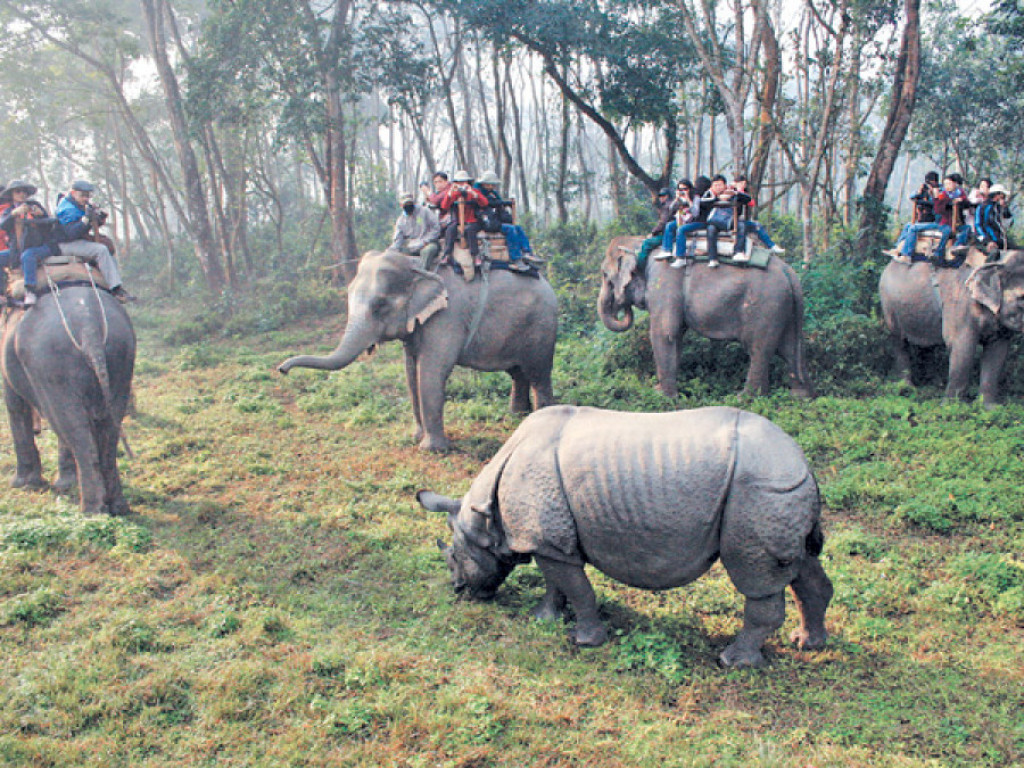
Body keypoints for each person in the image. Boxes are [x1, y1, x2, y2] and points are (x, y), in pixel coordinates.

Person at [55, 180, 134, 302]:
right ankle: (115, 289)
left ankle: (113, 282)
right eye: (82, 195)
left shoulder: (79, 205)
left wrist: (98, 217)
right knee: (100, 250)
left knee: (107, 246)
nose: (85, 199)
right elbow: (71, 234)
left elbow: (87, 225)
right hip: (65, 244)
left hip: (76, 241)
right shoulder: (67, 208)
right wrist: (86, 218)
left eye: (88, 196)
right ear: (73, 193)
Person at [0, 180, 61, 307]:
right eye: (18, 192)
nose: (22, 194)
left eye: (24, 192)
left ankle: (30, 290)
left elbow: (51, 223)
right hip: (17, 249)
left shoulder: (35, 205)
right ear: (11, 194)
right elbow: (4, 225)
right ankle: (3, 295)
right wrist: (14, 215)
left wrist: (40, 215)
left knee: (28, 256)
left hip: (42, 246)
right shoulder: (9, 211)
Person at [474, 170, 541, 272]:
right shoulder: (477, 192)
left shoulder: (493, 193)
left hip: (495, 220)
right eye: (490, 184)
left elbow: (499, 204)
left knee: (517, 228)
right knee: (510, 229)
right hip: (486, 222)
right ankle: (516, 258)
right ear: (484, 183)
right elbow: (488, 203)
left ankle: (527, 252)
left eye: (493, 185)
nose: (492, 187)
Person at [887, 171, 943, 261]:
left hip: (936, 221)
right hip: (924, 220)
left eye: (931, 182)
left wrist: (934, 194)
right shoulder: (925, 189)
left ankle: (907, 254)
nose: (929, 184)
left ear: (935, 182)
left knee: (913, 228)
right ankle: (897, 248)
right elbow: (912, 197)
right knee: (908, 226)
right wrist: (919, 191)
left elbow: (938, 205)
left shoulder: (941, 190)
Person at [439, 169, 489, 266]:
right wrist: (450, 193)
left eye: (464, 182)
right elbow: (444, 206)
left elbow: (485, 203)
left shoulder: (474, 191)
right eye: (459, 182)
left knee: (470, 230)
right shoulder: (454, 193)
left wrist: (472, 193)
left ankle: (475, 255)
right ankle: (447, 254)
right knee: (450, 230)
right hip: (457, 221)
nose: (462, 184)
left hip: (473, 220)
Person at [662, 175, 711, 266]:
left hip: (697, 221)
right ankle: (666, 250)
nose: (683, 191)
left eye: (685, 189)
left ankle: (681, 257)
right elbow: (671, 209)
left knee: (681, 229)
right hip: (685, 220)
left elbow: (695, 213)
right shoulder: (680, 198)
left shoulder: (695, 197)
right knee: (669, 225)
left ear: (690, 189)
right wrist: (677, 199)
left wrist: (688, 199)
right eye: (680, 189)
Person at [732, 174, 785, 254]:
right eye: (741, 183)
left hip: (739, 221)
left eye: (744, 184)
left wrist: (740, 191)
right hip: (730, 221)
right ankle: (739, 251)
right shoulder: (729, 191)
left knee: (757, 225)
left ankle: (771, 245)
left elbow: (751, 203)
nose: (742, 185)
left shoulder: (743, 194)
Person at [390, 191, 440, 270]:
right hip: (412, 246)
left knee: (428, 251)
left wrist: (424, 241)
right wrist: (391, 250)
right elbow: (398, 240)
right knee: (397, 256)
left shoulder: (425, 211)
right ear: (401, 205)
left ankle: (423, 273)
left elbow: (436, 228)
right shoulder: (401, 221)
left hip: (427, 243)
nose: (408, 206)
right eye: (406, 205)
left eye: (410, 204)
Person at [931, 173, 970, 259]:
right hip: (945, 223)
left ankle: (956, 246)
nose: (947, 186)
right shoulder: (943, 195)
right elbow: (937, 210)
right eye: (945, 184)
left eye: (949, 184)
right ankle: (938, 252)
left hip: (957, 223)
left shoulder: (960, 193)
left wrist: (961, 200)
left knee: (967, 228)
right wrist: (938, 199)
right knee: (947, 231)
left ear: (955, 183)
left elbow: (967, 203)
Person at [975, 184, 1014, 256]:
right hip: (986, 241)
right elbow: (979, 225)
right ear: (997, 195)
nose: (1004, 197)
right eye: (1003, 195)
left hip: (999, 240)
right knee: (994, 254)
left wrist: (1005, 209)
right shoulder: (984, 207)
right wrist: (988, 241)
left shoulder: (999, 207)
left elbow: (1008, 224)